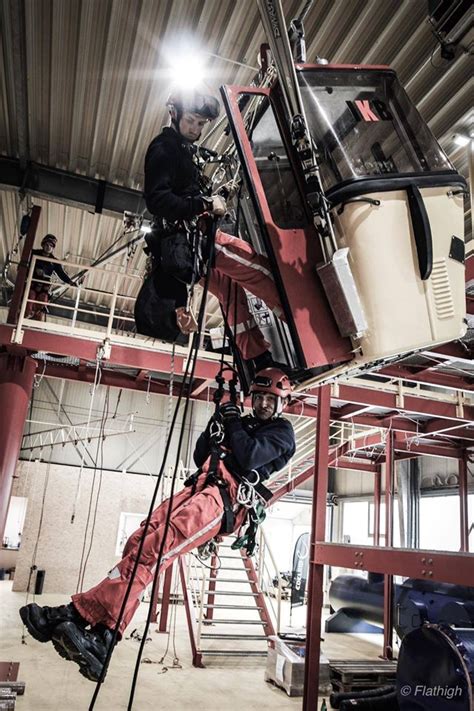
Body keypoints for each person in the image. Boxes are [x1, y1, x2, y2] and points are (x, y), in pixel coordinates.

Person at [19, 368, 296, 682]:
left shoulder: (281, 432)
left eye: (270, 401)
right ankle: (96, 628)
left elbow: (247, 457)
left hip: (223, 499)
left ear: (282, 404)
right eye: (258, 397)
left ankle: (87, 621)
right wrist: (215, 424)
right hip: (199, 488)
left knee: (153, 550)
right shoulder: (242, 423)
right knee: (138, 542)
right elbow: (200, 456)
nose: (261, 405)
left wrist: (231, 421)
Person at [137, 89, 284, 372]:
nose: (196, 129)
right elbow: (157, 200)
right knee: (256, 267)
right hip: (197, 240)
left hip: (190, 252)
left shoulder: (182, 151)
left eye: (202, 124)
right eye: (191, 120)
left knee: (230, 292)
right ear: (174, 114)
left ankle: (255, 359)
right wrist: (202, 203)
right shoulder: (165, 148)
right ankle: (299, 323)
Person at [25, 234, 76, 321]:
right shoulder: (33, 253)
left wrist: (70, 282)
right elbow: (25, 261)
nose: (48, 247)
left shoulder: (54, 261)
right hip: (32, 284)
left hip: (44, 287)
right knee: (30, 298)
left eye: (51, 246)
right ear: (43, 245)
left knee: (42, 303)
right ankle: (25, 316)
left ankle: (36, 322)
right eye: (47, 245)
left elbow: (61, 273)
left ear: (53, 248)